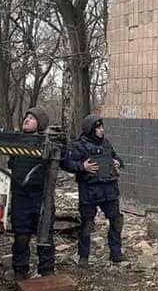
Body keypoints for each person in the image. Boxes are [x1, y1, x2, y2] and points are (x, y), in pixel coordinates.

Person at [61, 114, 127, 267]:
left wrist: (118, 163)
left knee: (116, 221)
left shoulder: (106, 143)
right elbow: (66, 164)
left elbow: (116, 158)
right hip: (89, 190)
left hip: (109, 189)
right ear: (90, 129)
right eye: (98, 128)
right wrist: (82, 167)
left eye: (102, 127)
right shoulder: (78, 145)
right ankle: (83, 256)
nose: (102, 130)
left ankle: (116, 253)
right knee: (87, 224)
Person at [7, 107, 55, 279]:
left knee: (45, 236)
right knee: (21, 236)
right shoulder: (17, 142)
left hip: (41, 197)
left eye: (31, 118)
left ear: (40, 124)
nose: (26, 120)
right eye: (26, 117)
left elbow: (67, 161)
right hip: (21, 196)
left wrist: (82, 166)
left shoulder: (49, 143)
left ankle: (47, 271)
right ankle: (20, 270)